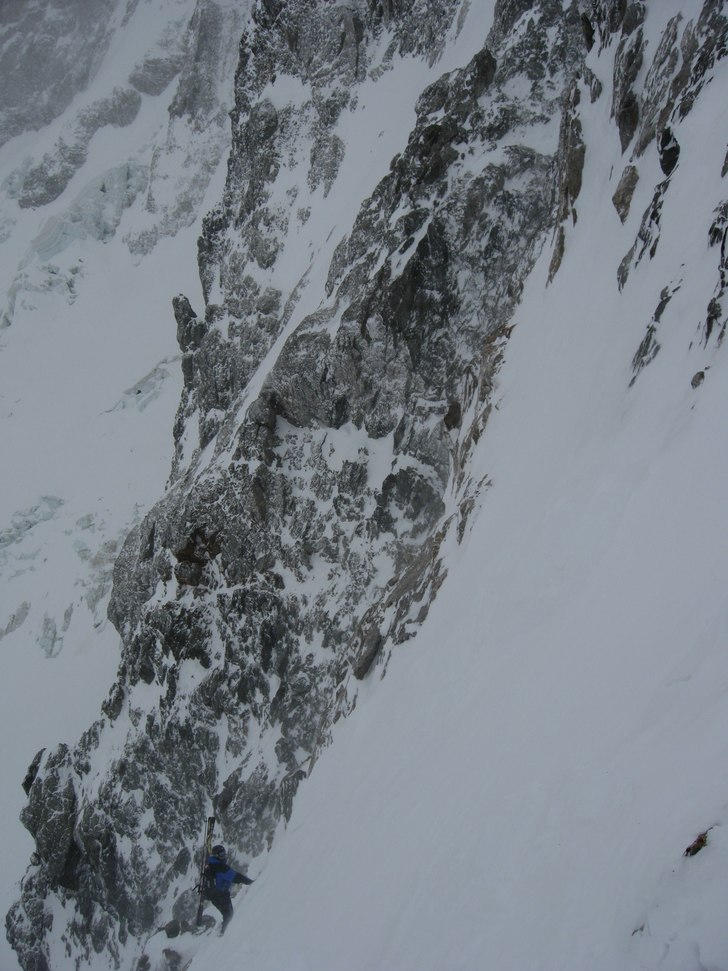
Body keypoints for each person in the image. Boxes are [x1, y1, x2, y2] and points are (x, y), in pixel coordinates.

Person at [203, 844, 253, 932]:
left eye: (224, 853)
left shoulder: (211, 863)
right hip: (221, 895)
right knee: (229, 915)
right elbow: (235, 877)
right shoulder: (221, 867)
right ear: (217, 856)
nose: (224, 856)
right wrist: (250, 882)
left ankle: (224, 932)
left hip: (213, 894)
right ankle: (225, 935)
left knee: (227, 914)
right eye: (222, 854)